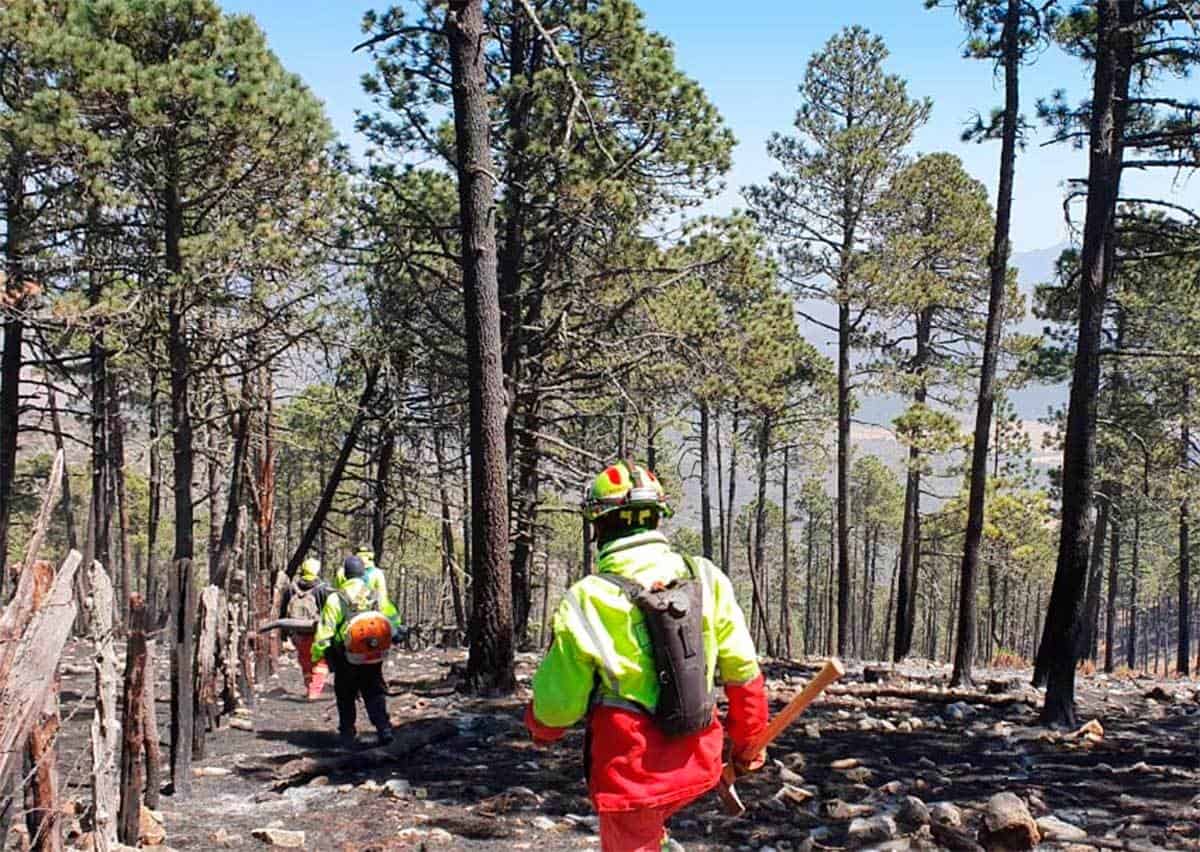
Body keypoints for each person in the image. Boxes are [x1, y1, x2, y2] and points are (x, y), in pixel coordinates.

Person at [524, 460, 769, 852]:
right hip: (697, 763)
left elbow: (558, 706)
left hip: (631, 775)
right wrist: (749, 740)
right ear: (657, 518)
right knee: (654, 826)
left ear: (598, 525)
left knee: (635, 833)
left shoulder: (588, 598)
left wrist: (542, 727)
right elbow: (742, 670)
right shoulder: (705, 575)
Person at [312, 555, 403, 748]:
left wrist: (320, 653)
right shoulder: (375, 595)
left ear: (345, 575)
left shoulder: (336, 598)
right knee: (374, 690)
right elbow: (390, 619)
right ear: (363, 574)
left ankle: (347, 732)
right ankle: (383, 728)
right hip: (374, 654)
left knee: (345, 693)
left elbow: (325, 630)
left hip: (346, 655)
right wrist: (395, 634)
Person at [279, 557, 331, 700]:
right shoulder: (323, 589)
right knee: (320, 662)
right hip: (317, 632)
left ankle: (309, 689)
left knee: (305, 661)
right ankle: (314, 692)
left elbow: (283, 612)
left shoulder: (291, 588)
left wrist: (284, 636)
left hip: (297, 633)